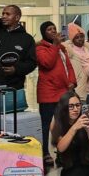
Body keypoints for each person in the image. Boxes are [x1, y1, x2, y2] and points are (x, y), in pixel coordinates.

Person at [0, 4, 37, 123]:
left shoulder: (27, 39)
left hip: (14, 89)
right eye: (3, 14)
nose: (4, 16)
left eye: (7, 14)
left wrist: (16, 69)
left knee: (11, 124)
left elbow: (32, 63)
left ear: (17, 17)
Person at [36, 20, 76, 168]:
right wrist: (54, 45)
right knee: (46, 125)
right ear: (43, 33)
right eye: (49, 30)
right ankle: (45, 153)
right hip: (48, 92)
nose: (53, 31)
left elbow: (68, 66)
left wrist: (72, 81)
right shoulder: (40, 48)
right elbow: (47, 63)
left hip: (64, 91)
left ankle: (62, 152)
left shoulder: (61, 48)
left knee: (64, 123)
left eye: (54, 28)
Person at [65, 22, 89, 101]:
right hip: (77, 86)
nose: (80, 39)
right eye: (77, 37)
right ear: (72, 39)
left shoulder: (88, 49)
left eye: (82, 36)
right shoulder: (70, 51)